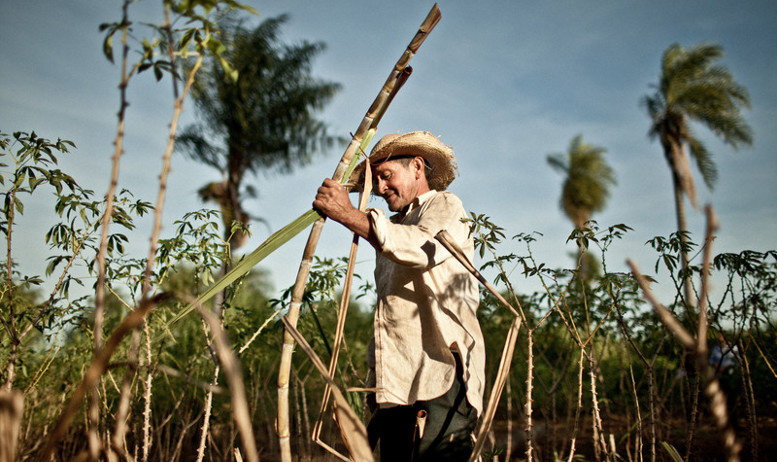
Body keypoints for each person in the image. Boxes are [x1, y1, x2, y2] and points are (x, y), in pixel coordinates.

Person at [313, 131, 485, 461]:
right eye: (375, 180)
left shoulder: (445, 205)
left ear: (417, 167)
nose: (379, 188)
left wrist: (348, 214)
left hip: (441, 372)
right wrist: (376, 376)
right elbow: (390, 315)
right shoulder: (393, 225)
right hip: (396, 380)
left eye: (386, 176)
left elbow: (420, 248)